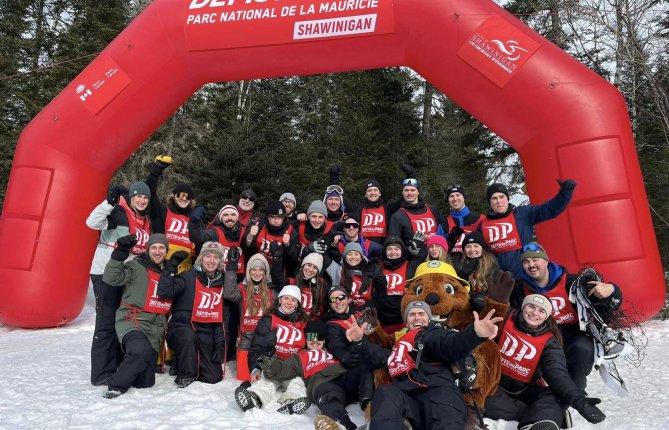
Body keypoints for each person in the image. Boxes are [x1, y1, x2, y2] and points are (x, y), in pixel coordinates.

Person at [345, 301, 502, 430]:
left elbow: (450, 345)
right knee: (385, 393)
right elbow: (378, 356)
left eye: (421, 314)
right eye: (412, 314)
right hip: (410, 401)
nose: (417, 318)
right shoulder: (400, 347)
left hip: (439, 397)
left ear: (429, 319)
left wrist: (475, 334)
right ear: (407, 321)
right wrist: (360, 341)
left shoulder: (433, 334)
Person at [510, 243, 623, 392]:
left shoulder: (572, 282)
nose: (531, 265)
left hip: (573, 333)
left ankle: (576, 392)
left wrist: (612, 288)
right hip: (541, 336)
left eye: (535, 259)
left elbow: (611, 302)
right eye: (526, 262)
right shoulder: (519, 288)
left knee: (582, 348)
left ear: (546, 260)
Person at [485, 294, 606, 430]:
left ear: (547, 315)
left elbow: (558, 375)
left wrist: (580, 401)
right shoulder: (506, 316)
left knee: (554, 397)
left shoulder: (549, 342)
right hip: (492, 384)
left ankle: (540, 423)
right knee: (483, 400)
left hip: (523, 388)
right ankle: (545, 416)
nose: (534, 313)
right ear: (523, 306)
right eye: (531, 306)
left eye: (541, 311)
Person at [86, 181, 153, 386]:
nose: (141, 201)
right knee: (106, 322)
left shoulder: (145, 220)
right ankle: (102, 373)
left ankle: (119, 366)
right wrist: (108, 201)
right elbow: (92, 222)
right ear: (131, 198)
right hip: (106, 273)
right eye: (138, 197)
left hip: (128, 276)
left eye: (145, 197)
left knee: (121, 320)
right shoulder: (117, 212)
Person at [101, 233, 178, 398]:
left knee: (145, 382)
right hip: (132, 320)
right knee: (139, 350)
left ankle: (128, 366)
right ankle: (116, 385)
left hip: (155, 328)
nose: (157, 252)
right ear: (148, 249)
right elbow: (111, 278)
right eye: (154, 248)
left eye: (162, 248)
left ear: (167, 251)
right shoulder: (136, 266)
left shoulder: (170, 272)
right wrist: (119, 254)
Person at [257, 319, 372, 430]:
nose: (316, 340)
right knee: (329, 398)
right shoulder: (299, 357)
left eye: (320, 337)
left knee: (366, 365)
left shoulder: (333, 350)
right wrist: (268, 358)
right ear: (306, 339)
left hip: (345, 376)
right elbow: (282, 369)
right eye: (311, 336)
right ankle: (341, 425)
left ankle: (370, 405)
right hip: (324, 382)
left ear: (325, 340)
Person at [157, 241, 241, 387]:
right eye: (208, 256)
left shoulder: (221, 283)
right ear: (201, 259)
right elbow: (164, 292)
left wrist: (220, 345)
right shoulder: (188, 276)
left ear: (220, 262)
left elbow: (222, 319)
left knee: (213, 377)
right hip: (181, 326)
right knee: (188, 337)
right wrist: (170, 268)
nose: (212, 261)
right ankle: (186, 374)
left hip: (205, 331)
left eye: (216, 257)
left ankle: (183, 363)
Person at [234, 285, 310, 414]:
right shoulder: (268, 320)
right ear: (279, 300)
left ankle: (292, 403)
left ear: (297, 304)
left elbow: (310, 346)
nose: (289, 303)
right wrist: (255, 369)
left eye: (293, 300)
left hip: (292, 367)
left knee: (296, 384)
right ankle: (253, 398)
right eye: (286, 298)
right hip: (272, 364)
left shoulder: (304, 323)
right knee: (265, 383)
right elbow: (256, 348)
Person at [479, 180, 576, 278]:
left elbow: (550, 209)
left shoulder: (523, 213)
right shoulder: (482, 225)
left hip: (527, 277)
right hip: (500, 282)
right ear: (490, 202)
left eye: (501, 197)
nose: (499, 201)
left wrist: (565, 193)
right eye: (494, 198)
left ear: (507, 198)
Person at [227, 252, 277, 381]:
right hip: (246, 339)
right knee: (244, 377)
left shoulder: (272, 291)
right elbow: (228, 293)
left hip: (264, 340)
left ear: (265, 272)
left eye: (261, 270)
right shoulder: (242, 288)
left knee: (265, 378)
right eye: (254, 269)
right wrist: (231, 268)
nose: (257, 273)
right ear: (249, 271)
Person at [144, 155, 197, 273]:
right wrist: (156, 170)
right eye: (180, 195)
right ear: (173, 196)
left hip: (185, 272)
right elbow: (150, 193)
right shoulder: (163, 212)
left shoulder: (194, 219)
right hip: (162, 267)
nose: (184, 198)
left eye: (187, 196)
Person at [388, 163, 446, 245]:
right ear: (402, 193)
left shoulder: (433, 209)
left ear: (418, 192)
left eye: (412, 190)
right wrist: (410, 250)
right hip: (413, 256)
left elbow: (444, 232)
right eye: (406, 190)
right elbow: (394, 243)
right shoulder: (398, 216)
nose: (409, 193)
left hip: (435, 255)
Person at [378, 235, 425, 333]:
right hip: (382, 318)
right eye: (389, 249)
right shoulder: (378, 266)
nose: (393, 252)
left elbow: (424, 260)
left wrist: (417, 248)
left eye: (396, 249)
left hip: (403, 319)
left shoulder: (409, 265)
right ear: (385, 252)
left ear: (402, 251)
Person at [325, 242, 387, 310]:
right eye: (349, 254)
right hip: (343, 312)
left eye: (356, 254)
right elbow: (323, 256)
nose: (353, 257)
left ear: (361, 257)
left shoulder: (370, 270)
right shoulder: (338, 270)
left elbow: (380, 295)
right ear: (345, 257)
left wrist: (379, 278)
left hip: (365, 311)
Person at [244, 199, 300, 271]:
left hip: (279, 269)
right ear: (268, 217)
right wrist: (250, 236)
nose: (276, 221)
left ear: (284, 217)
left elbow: (294, 258)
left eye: (279, 217)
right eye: (273, 217)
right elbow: (245, 248)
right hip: (257, 266)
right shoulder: (260, 225)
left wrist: (287, 245)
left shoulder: (291, 231)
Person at [273, 252, 331, 320]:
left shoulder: (323, 284)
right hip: (295, 321)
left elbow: (329, 302)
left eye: (315, 268)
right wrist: (277, 259)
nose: (310, 270)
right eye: (309, 265)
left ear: (318, 272)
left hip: (315, 322)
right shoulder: (293, 282)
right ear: (303, 266)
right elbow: (277, 279)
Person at [454, 231, 500, 312]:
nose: (472, 250)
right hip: (465, 305)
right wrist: (464, 274)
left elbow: (496, 291)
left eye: (476, 246)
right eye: (468, 247)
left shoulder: (491, 264)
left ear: (482, 248)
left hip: (484, 305)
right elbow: (456, 289)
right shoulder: (459, 263)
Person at [443, 184, 484, 257]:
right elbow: (440, 249)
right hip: (452, 264)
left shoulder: (480, 218)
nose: (455, 198)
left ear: (464, 198)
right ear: (448, 200)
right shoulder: (444, 222)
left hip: (477, 263)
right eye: (451, 196)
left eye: (458, 195)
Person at [355, 179, 394, 245]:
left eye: (375, 190)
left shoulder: (388, 207)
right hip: (363, 248)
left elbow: (403, 200)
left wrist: (410, 176)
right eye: (369, 191)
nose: (372, 193)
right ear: (365, 194)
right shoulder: (358, 208)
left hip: (384, 248)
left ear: (380, 193)